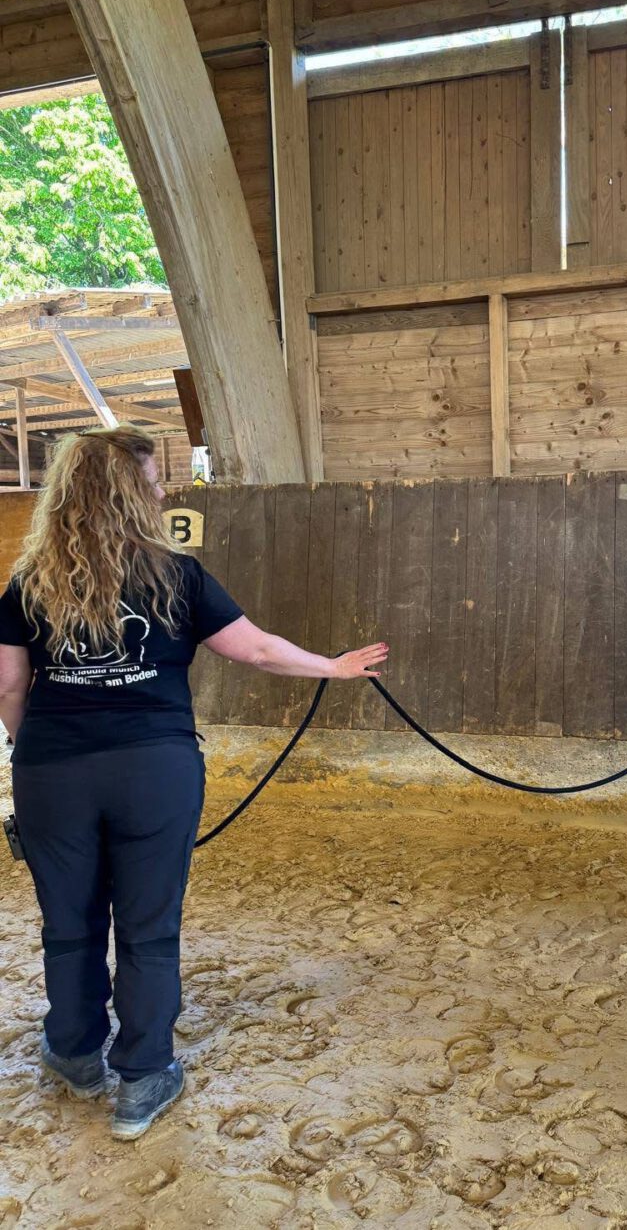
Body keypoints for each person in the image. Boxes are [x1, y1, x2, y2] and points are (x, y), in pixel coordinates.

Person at [0, 426, 388, 1141]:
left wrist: (36, 753)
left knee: (69, 918)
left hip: (54, 771)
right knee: (149, 924)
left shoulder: (29, 584)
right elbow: (260, 649)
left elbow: (10, 685)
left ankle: (78, 1053)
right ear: (126, 494)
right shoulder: (177, 575)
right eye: (151, 482)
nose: (160, 491)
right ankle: (143, 1076)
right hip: (155, 768)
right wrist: (332, 667)